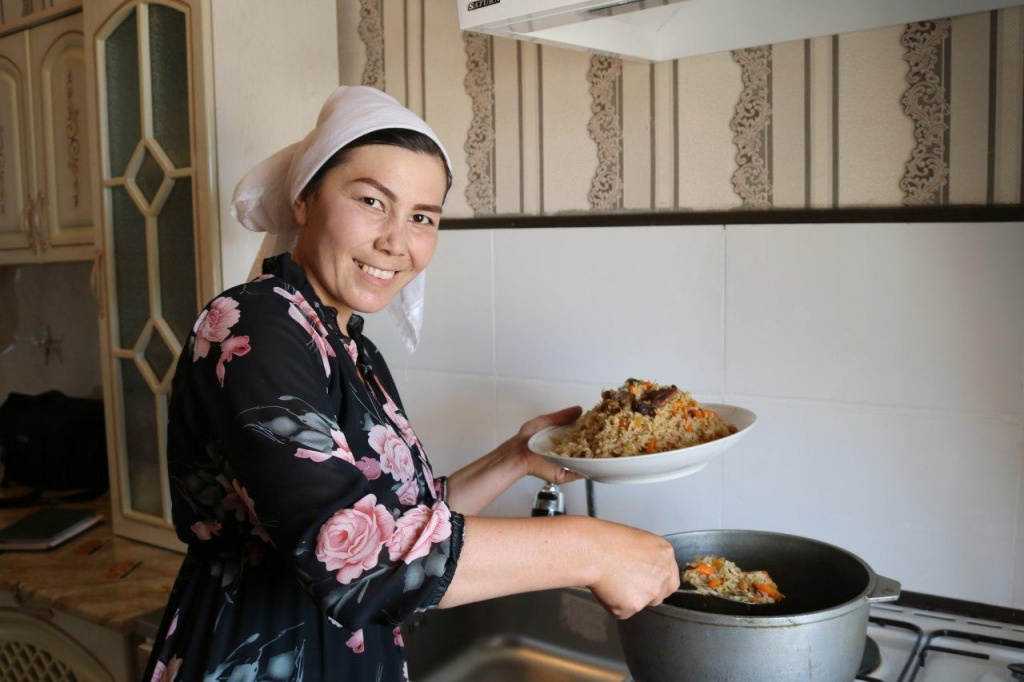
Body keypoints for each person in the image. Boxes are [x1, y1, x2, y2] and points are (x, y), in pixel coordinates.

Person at [143, 86, 679, 682]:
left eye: (422, 217)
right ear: (304, 199)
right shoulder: (254, 326)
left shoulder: (350, 345)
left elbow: (401, 521)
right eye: (372, 200)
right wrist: (591, 548)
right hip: (260, 652)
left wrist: (513, 458)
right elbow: (353, 559)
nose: (397, 241)